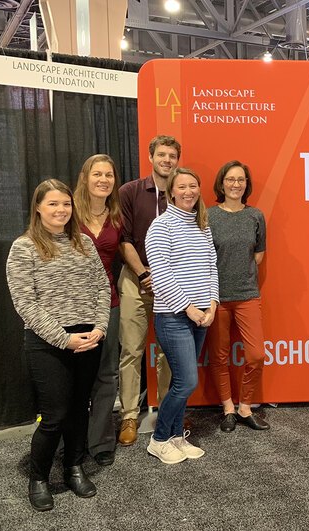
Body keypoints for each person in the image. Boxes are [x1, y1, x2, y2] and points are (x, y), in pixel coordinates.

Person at [6, 179, 110, 511]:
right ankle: (38, 479)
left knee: (81, 408)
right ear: (37, 207)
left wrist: (100, 327)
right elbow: (26, 305)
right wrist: (64, 339)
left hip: (89, 338)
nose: (61, 210)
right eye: (52, 204)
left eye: (65, 204)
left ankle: (73, 468)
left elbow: (102, 286)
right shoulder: (23, 247)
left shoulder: (84, 243)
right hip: (48, 343)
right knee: (54, 415)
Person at [144, 167, 219, 464]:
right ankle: (159, 438)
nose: (188, 191)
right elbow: (161, 277)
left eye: (193, 186)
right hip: (174, 316)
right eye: (182, 187)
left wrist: (212, 304)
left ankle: (176, 436)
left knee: (181, 381)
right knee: (186, 382)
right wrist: (190, 308)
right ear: (171, 192)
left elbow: (212, 267)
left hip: (202, 315)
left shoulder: (203, 224)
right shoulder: (161, 227)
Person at [117, 135, 180, 446]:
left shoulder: (183, 193)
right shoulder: (130, 191)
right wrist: (143, 274)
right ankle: (129, 415)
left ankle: (168, 413)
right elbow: (123, 239)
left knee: (169, 352)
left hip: (171, 286)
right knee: (131, 350)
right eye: (162, 155)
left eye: (172, 156)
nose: (167, 160)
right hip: (134, 280)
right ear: (151, 157)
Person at [207, 161, 269, 432]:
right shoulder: (208, 216)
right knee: (219, 356)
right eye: (230, 179)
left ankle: (245, 407)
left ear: (247, 184)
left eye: (241, 179)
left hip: (246, 295)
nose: (235, 184)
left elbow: (258, 254)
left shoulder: (256, 216)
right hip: (216, 297)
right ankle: (228, 408)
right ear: (221, 184)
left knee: (256, 355)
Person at [73, 154, 123, 467]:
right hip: (71, 306)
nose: (103, 179)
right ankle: (74, 439)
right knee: (76, 377)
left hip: (109, 303)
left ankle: (102, 440)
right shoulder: (68, 212)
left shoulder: (116, 216)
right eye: (97, 174)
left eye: (108, 175)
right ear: (85, 178)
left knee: (107, 374)